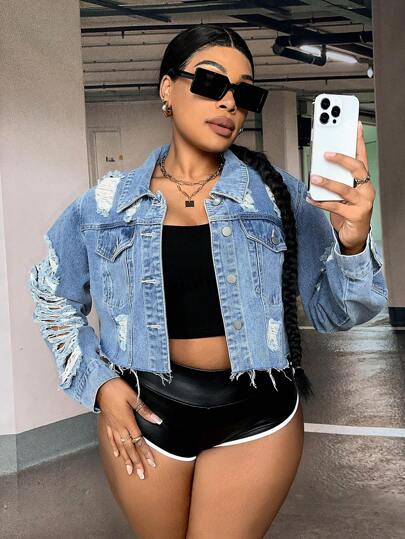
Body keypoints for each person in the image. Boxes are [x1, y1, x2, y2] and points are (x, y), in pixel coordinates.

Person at [28, 23, 387, 539]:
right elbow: (52, 296)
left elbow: (336, 314)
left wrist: (353, 243)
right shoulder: (105, 205)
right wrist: (100, 385)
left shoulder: (278, 196)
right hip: (146, 411)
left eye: (244, 93)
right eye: (211, 82)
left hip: (258, 415)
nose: (229, 103)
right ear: (167, 89)